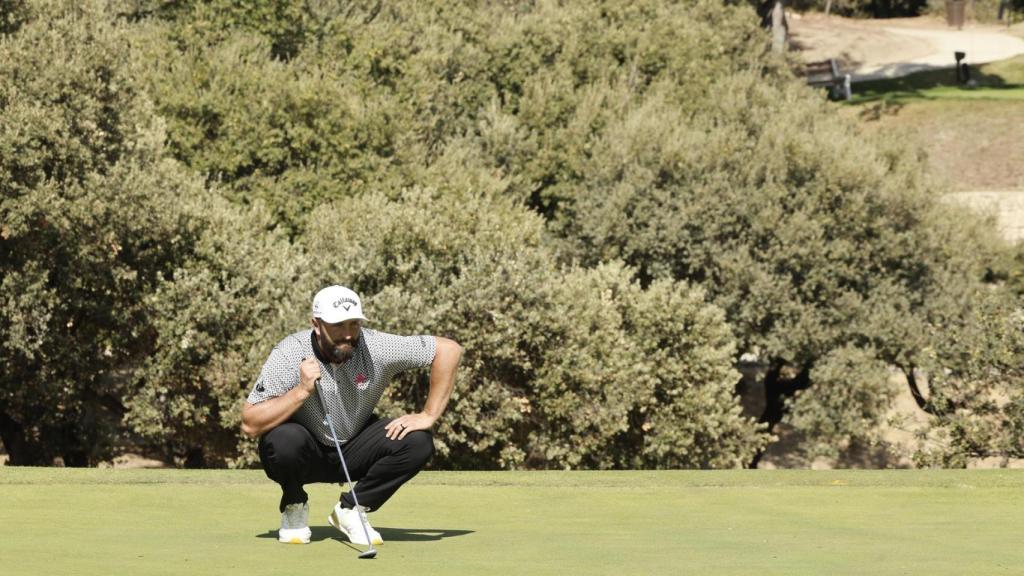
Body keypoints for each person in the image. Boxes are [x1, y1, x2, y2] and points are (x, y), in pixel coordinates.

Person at [240, 285, 463, 545]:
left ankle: (351, 510)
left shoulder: (376, 346)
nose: (348, 335)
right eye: (337, 326)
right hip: (307, 451)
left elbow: (448, 350)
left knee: (418, 441)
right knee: (282, 441)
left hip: (356, 447)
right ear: (316, 324)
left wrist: (428, 414)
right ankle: (294, 503)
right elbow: (249, 423)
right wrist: (300, 391)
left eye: (354, 324)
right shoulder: (290, 352)